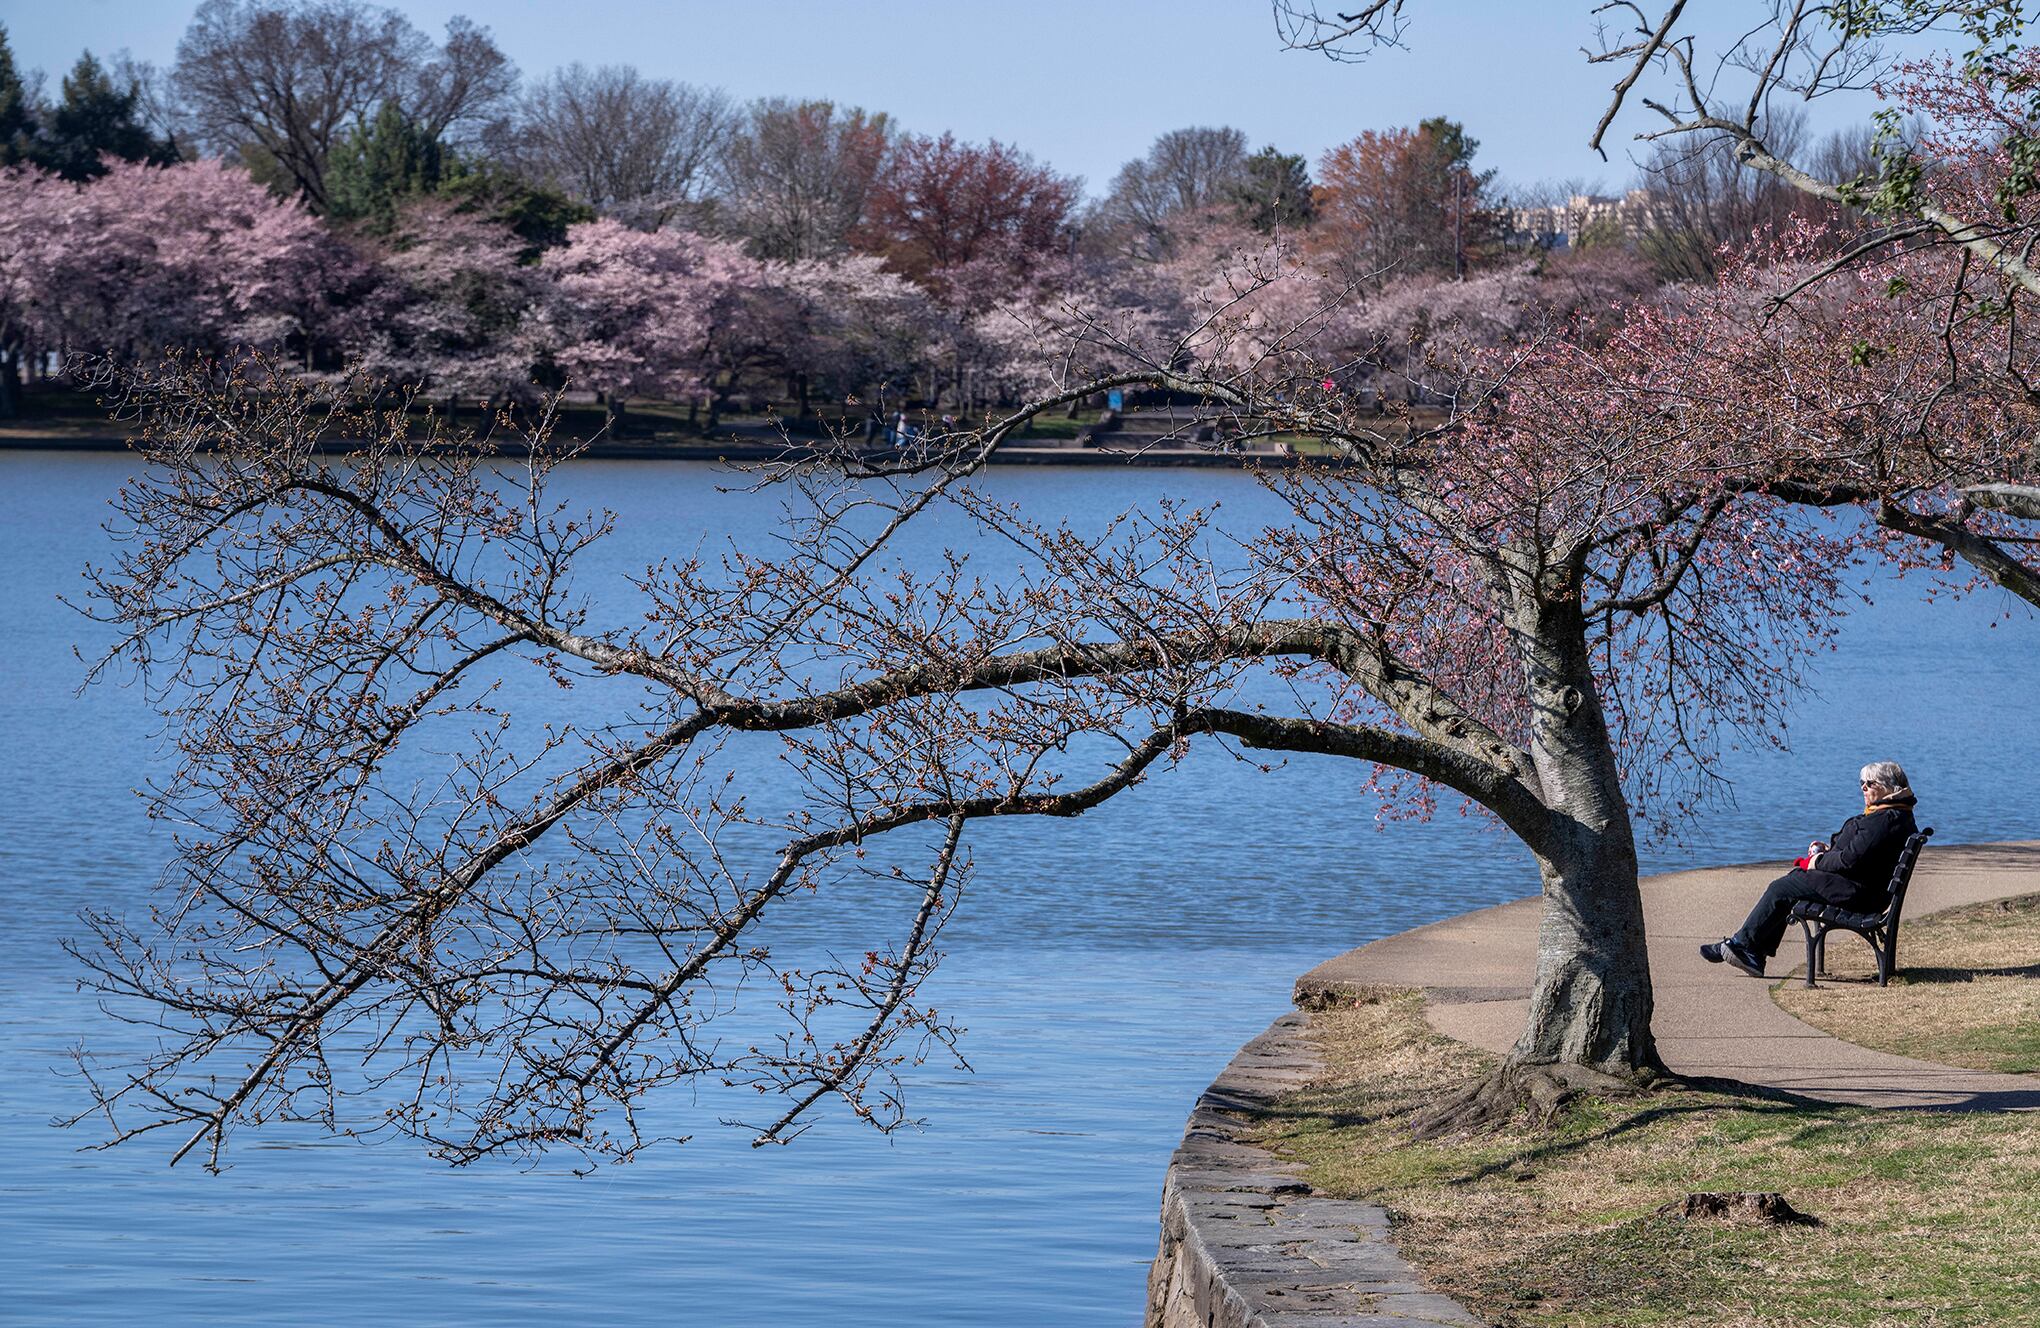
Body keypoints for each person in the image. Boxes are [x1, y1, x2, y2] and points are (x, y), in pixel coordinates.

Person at [1702, 761, 1919, 978]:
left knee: (1781, 889)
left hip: (1860, 895)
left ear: (1890, 788)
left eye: (1870, 783)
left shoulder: (1885, 820)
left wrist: (1817, 861)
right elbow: (1859, 855)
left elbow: (1848, 860)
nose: (1863, 787)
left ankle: (1745, 946)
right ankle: (1750, 950)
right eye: (1862, 782)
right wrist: (1829, 850)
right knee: (1792, 882)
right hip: (1862, 887)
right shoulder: (1892, 814)